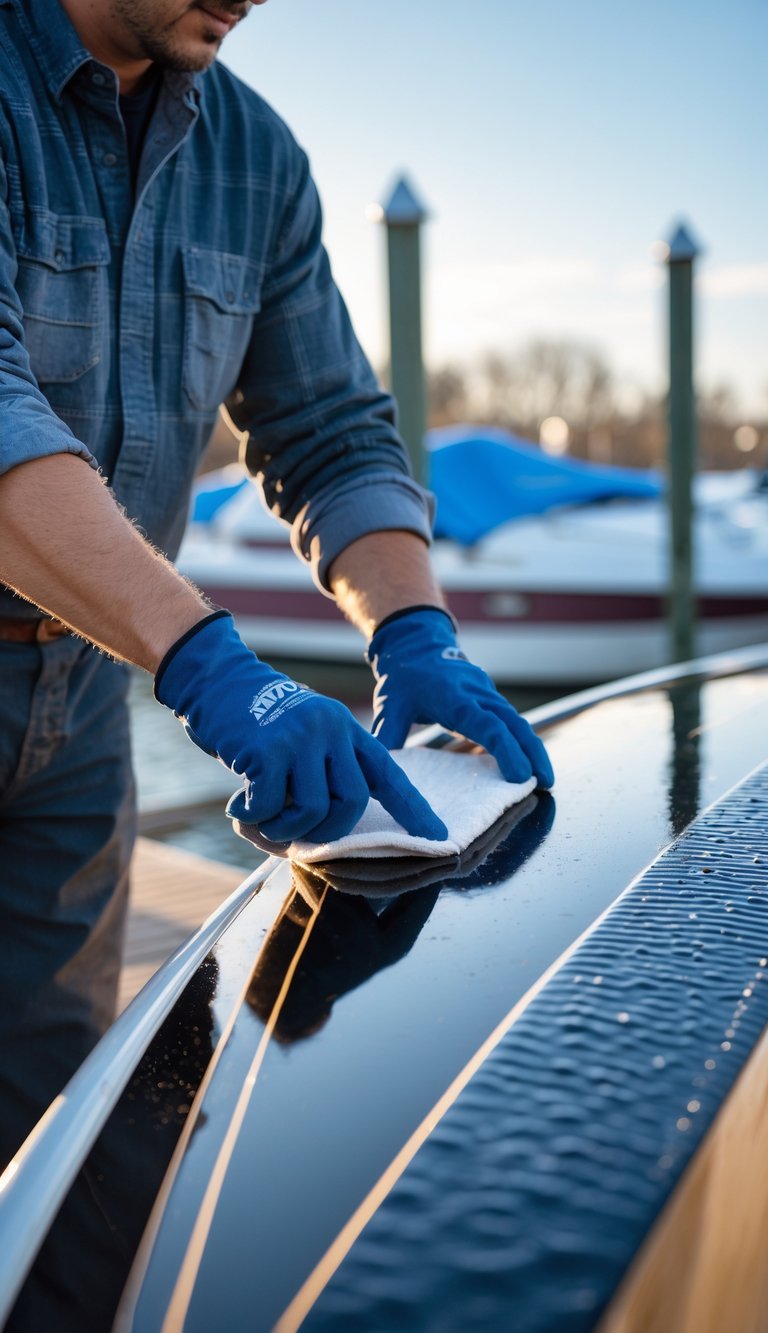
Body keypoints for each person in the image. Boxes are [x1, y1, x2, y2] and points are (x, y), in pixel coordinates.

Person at [0, 0, 554, 1096]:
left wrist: (413, 632)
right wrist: (212, 669)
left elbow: (333, 431)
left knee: (50, 1111)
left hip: (87, 705)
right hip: (145, 654)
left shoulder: (256, 156)